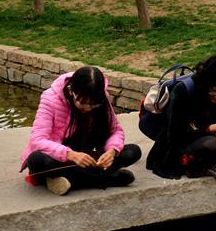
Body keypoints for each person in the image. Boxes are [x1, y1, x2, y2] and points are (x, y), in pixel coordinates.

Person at [20, 66, 141, 195]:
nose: (88, 108)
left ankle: (71, 180)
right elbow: (37, 140)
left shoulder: (101, 97)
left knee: (133, 151)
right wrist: (70, 154)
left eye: (93, 105)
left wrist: (111, 151)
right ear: (71, 90)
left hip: (88, 153)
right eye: (82, 103)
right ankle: (104, 178)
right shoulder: (50, 99)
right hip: (61, 157)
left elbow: (116, 130)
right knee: (36, 159)